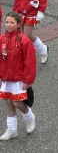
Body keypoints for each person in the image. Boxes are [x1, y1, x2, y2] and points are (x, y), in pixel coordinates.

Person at [0, 12, 36, 141]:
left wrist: (27, 80)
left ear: (18, 24)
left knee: (17, 102)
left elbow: (29, 61)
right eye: (7, 22)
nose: (8, 25)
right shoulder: (2, 38)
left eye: (12, 23)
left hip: (19, 78)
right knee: (8, 101)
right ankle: (12, 129)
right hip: (6, 77)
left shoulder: (24, 41)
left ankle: (29, 117)